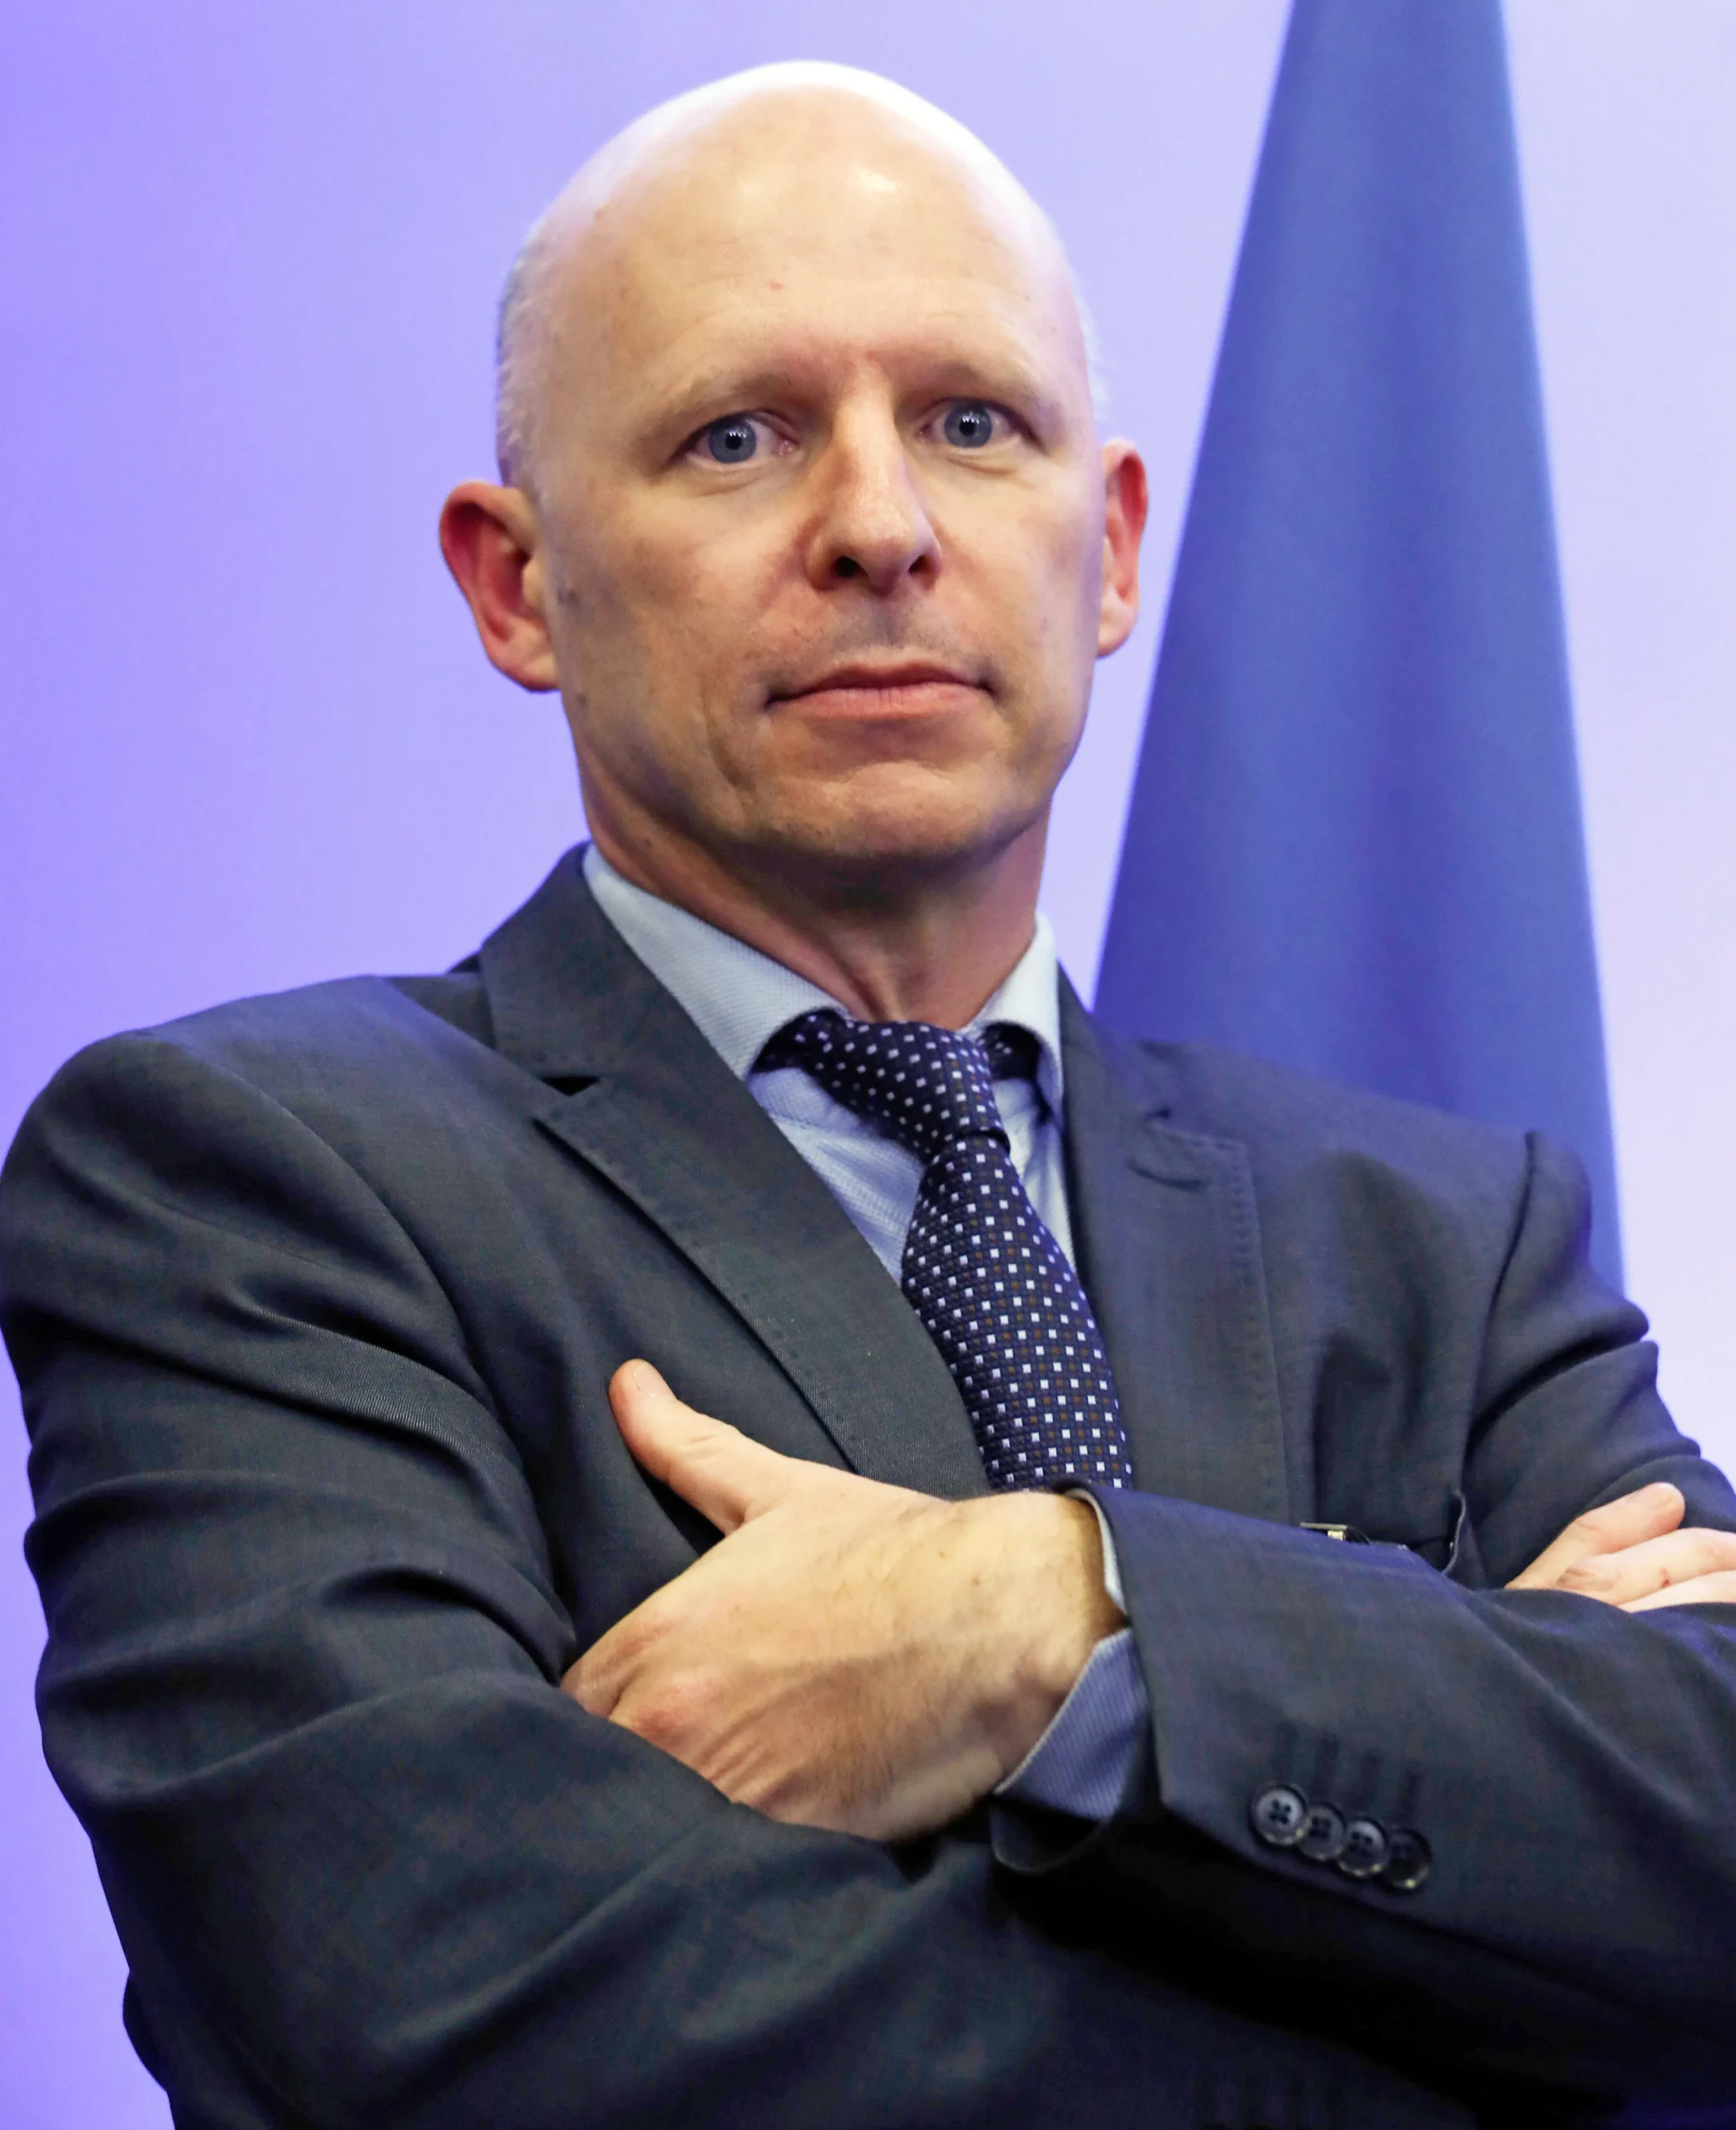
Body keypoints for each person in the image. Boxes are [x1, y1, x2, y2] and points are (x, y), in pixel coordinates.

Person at [5, 60, 1736, 2130]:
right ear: (514, 584)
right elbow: (446, 2016)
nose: (881, 528)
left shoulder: (1439, 1240)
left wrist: (1046, 1615)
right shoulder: (250, 1174)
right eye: (737, 436)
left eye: (968, 424)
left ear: (1103, 552)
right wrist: (1434, 1843)